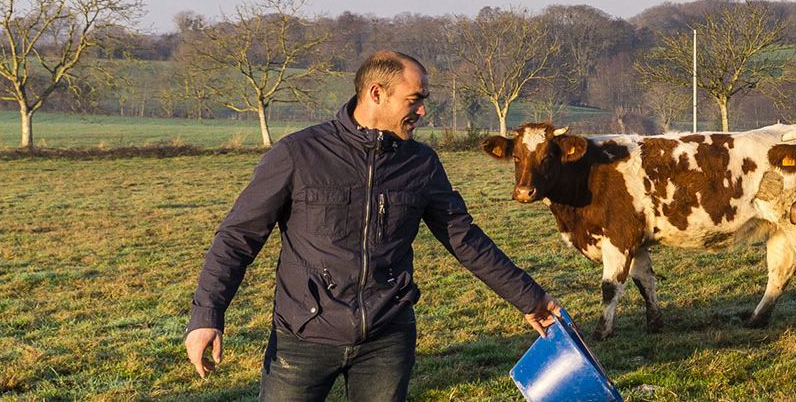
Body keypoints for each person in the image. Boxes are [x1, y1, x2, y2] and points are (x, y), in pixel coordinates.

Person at [182, 50, 560, 401]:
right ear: (376, 93)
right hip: (302, 336)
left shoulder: (421, 164)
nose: (423, 111)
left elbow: (466, 240)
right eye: (414, 100)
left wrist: (529, 298)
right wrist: (206, 316)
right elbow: (237, 238)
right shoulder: (298, 154)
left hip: (387, 339)